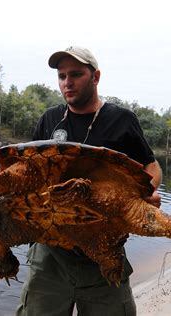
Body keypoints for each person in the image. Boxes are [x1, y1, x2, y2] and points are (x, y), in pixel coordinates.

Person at [16, 46, 162, 316]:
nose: (67, 83)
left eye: (75, 74)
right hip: (50, 253)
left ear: (95, 77)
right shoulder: (49, 119)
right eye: (61, 76)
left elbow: (151, 166)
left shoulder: (122, 120)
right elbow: (26, 171)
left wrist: (145, 194)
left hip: (104, 248)